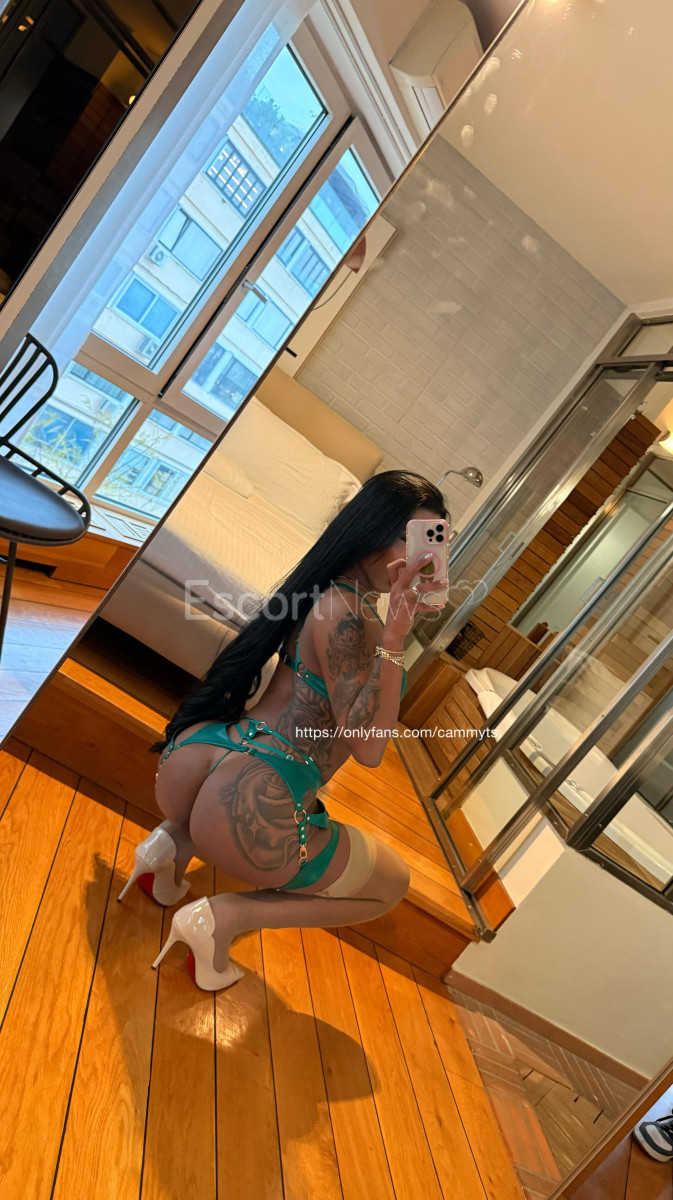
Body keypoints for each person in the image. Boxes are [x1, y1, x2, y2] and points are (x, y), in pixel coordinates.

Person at [118, 469, 448, 990]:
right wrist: (395, 640)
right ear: (373, 531)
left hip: (201, 756)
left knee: (225, 817)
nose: (418, 559)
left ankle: (169, 847)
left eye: (429, 546)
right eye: (408, 540)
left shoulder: (320, 589)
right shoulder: (353, 615)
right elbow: (368, 748)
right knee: (390, 885)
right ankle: (224, 918)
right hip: (256, 794)